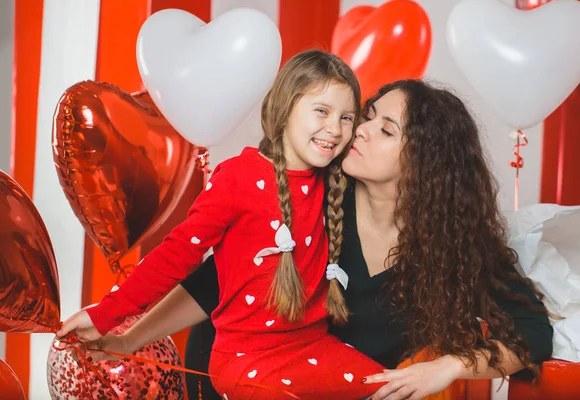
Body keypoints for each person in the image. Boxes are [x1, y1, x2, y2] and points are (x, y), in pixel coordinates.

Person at [84, 80, 554, 400]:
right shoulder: (312, 199)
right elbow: (214, 283)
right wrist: (129, 339)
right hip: (233, 378)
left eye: (384, 129)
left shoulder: (455, 248)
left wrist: (450, 366)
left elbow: (534, 333)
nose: (358, 131)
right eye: (365, 117)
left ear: (426, 165)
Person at [56, 49, 388, 400]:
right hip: (244, 360)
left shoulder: (334, 182)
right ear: (285, 108)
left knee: (393, 389)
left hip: (311, 346)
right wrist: (106, 314)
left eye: (347, 118)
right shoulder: (237, 178)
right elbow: (176, 254)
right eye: (321, 111)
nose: (335, 130)